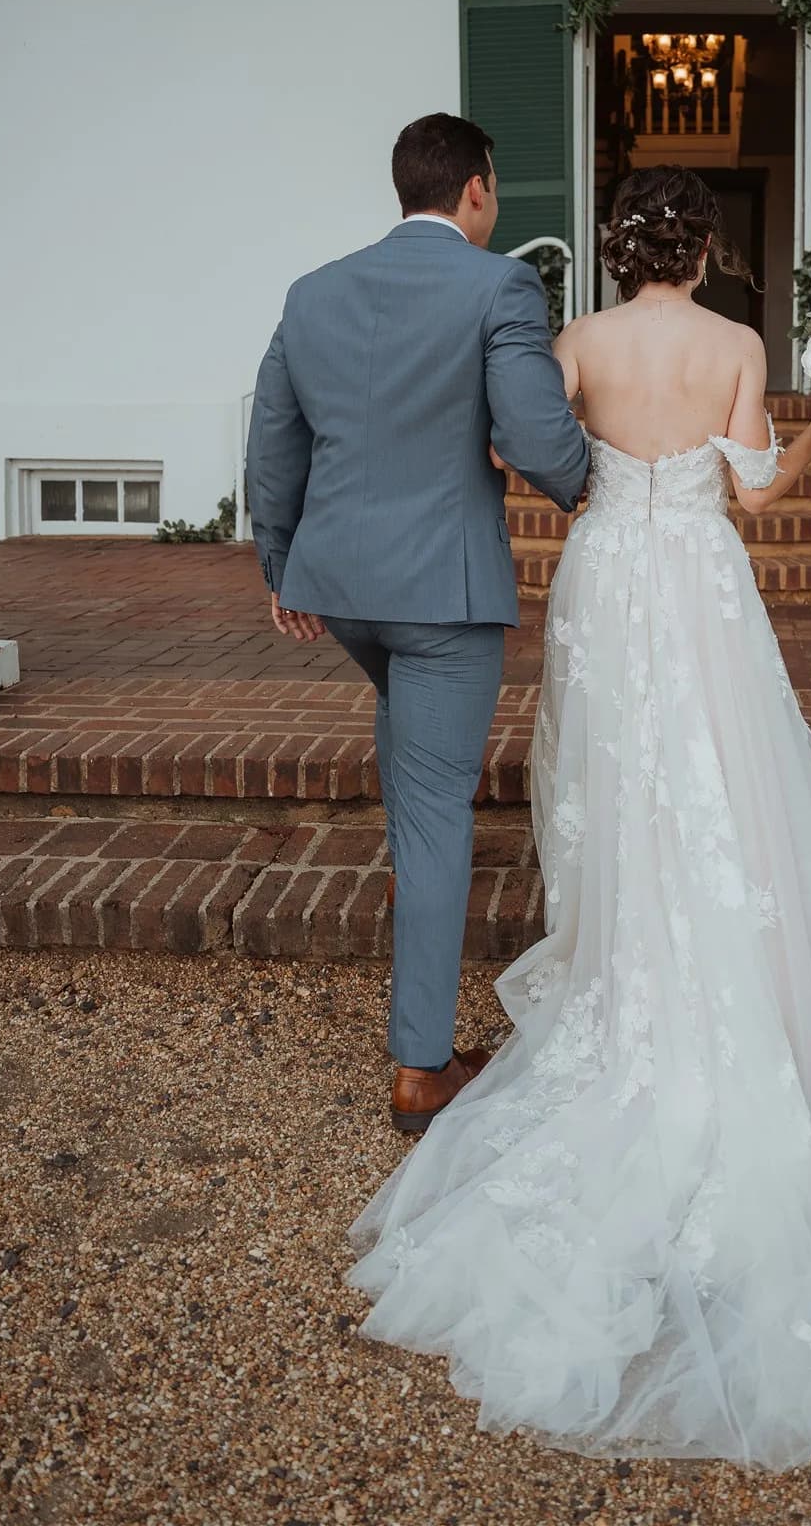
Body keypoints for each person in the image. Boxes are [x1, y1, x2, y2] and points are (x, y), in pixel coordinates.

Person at [347, 165, 811, 1470]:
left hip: (609, 574)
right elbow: (755, 497)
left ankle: (625, 960)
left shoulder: (571, 342)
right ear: (706, 246)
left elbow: (524, 453)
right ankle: (729, 984)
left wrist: (592, 484)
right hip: (701, 581)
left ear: (617, 250)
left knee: (613, 784)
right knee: (721, 777)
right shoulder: (737, 342)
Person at [245, 114, 589, 1131]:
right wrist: (589, 485)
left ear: (407, 189)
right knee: (441, 808)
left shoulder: (313, 291)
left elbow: (273, 439)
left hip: (341, 585)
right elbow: (536, 431)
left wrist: (281, 562)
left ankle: (417, 909)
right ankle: (422, 1066)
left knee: (408, 737)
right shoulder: (500, 285)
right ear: (476, 188)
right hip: (442, 591)